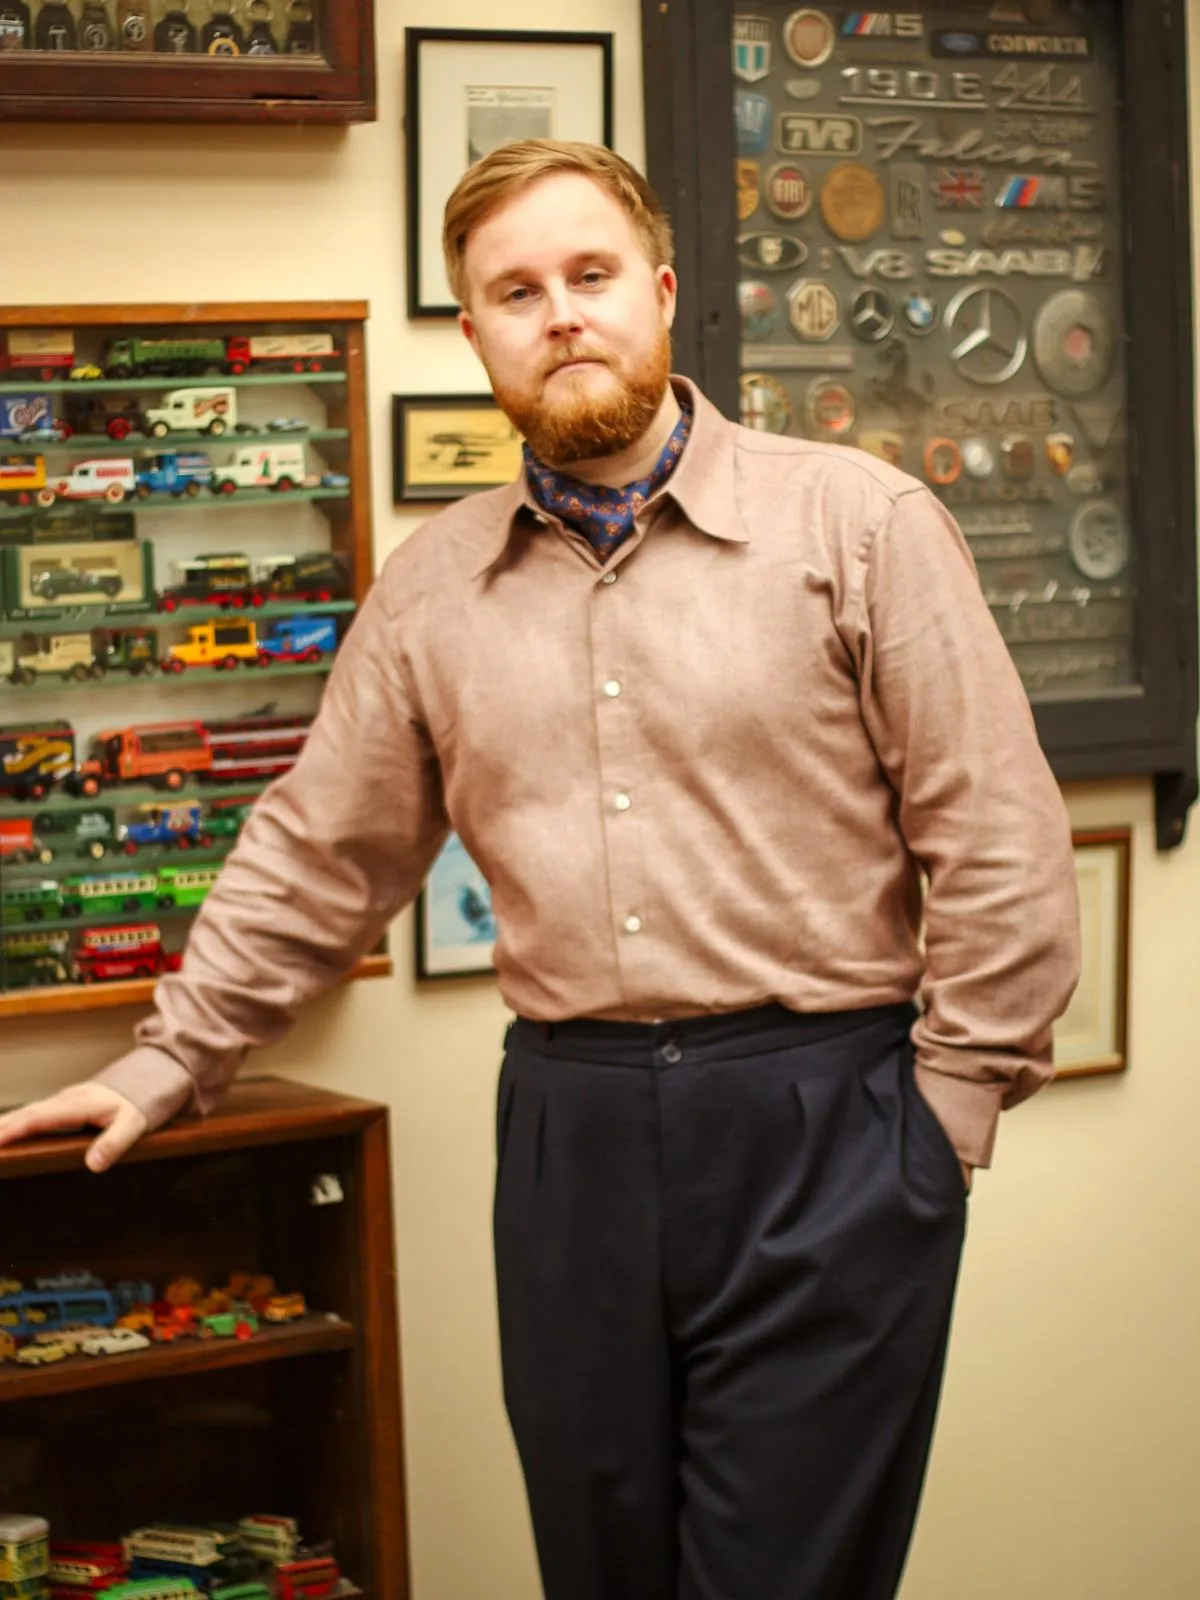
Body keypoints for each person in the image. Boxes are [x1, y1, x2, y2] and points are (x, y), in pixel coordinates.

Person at [0, 141, 1080, 1599]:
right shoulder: (433, 591)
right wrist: (167, 1062)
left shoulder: (862, 527)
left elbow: (999, 839)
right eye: (516, 290)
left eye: (591, 275)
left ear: (664, 293)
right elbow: (321, 853)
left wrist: (938, 1127)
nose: (561, 313)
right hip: (571, 1134)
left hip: (831, 1128)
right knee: (602, 1570)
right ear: (475, 336)